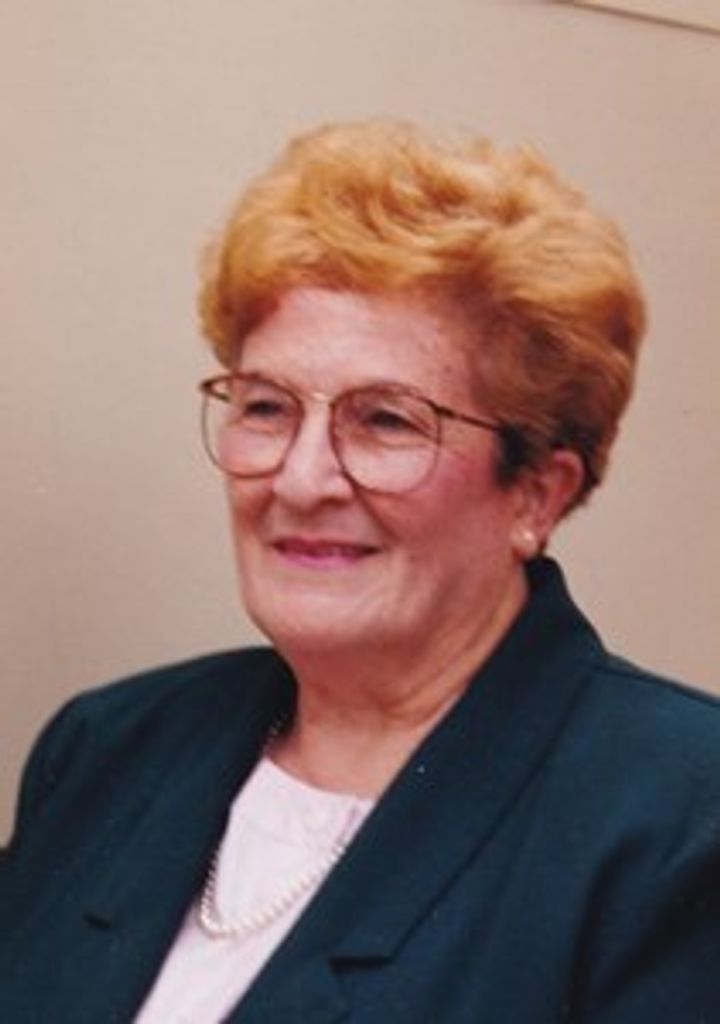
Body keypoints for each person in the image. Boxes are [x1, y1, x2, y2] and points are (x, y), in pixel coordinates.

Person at [1, 118, 719, 1024]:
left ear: (537, 493)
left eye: (386, 421)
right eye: (266, 407)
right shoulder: (108, 747)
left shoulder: (681, 819)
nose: (301, 480)